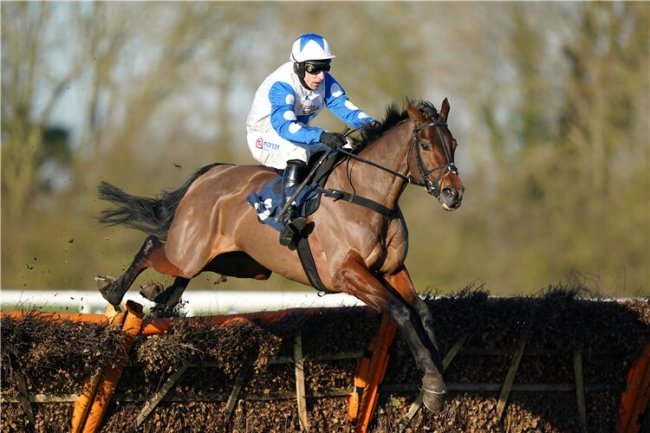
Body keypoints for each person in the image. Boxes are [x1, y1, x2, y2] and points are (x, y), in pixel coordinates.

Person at [246, 33, 375, 246]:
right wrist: (321, 136)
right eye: (314, 69)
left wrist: (374, 126)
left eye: (325, 68)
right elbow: (285, 126)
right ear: (298, 66)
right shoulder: (282, 85)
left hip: (297, 134)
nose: (321, 76)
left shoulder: (324, 81)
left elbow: (346, 109)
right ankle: (288, 214)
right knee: (298, 151)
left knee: (346, 146)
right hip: (265, 137)